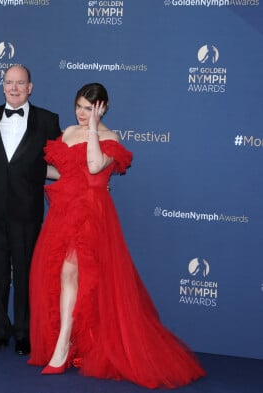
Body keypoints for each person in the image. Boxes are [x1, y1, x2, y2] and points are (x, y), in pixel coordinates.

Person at [27, 83, 206, 388]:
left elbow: (96, 165)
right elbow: (56, 170)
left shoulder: (111, 138)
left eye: (90, 108)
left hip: (92, 213)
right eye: (80, 107)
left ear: (103, 108)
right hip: (63, 210)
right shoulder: (68, 132)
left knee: (73, 273)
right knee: (64, 275)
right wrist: (41, 169)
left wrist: (95, 129)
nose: (83, 114)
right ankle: (69, 344)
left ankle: (62, 347)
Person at [0, 65, 61, 356]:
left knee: (26, 274)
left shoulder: (49, 121)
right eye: (9, 83)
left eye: (20, 83)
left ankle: (24, 334)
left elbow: (63, 162)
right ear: (2, 86)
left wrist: (89, 180)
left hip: (27, 211)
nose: (14, 88)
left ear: (30, 87)